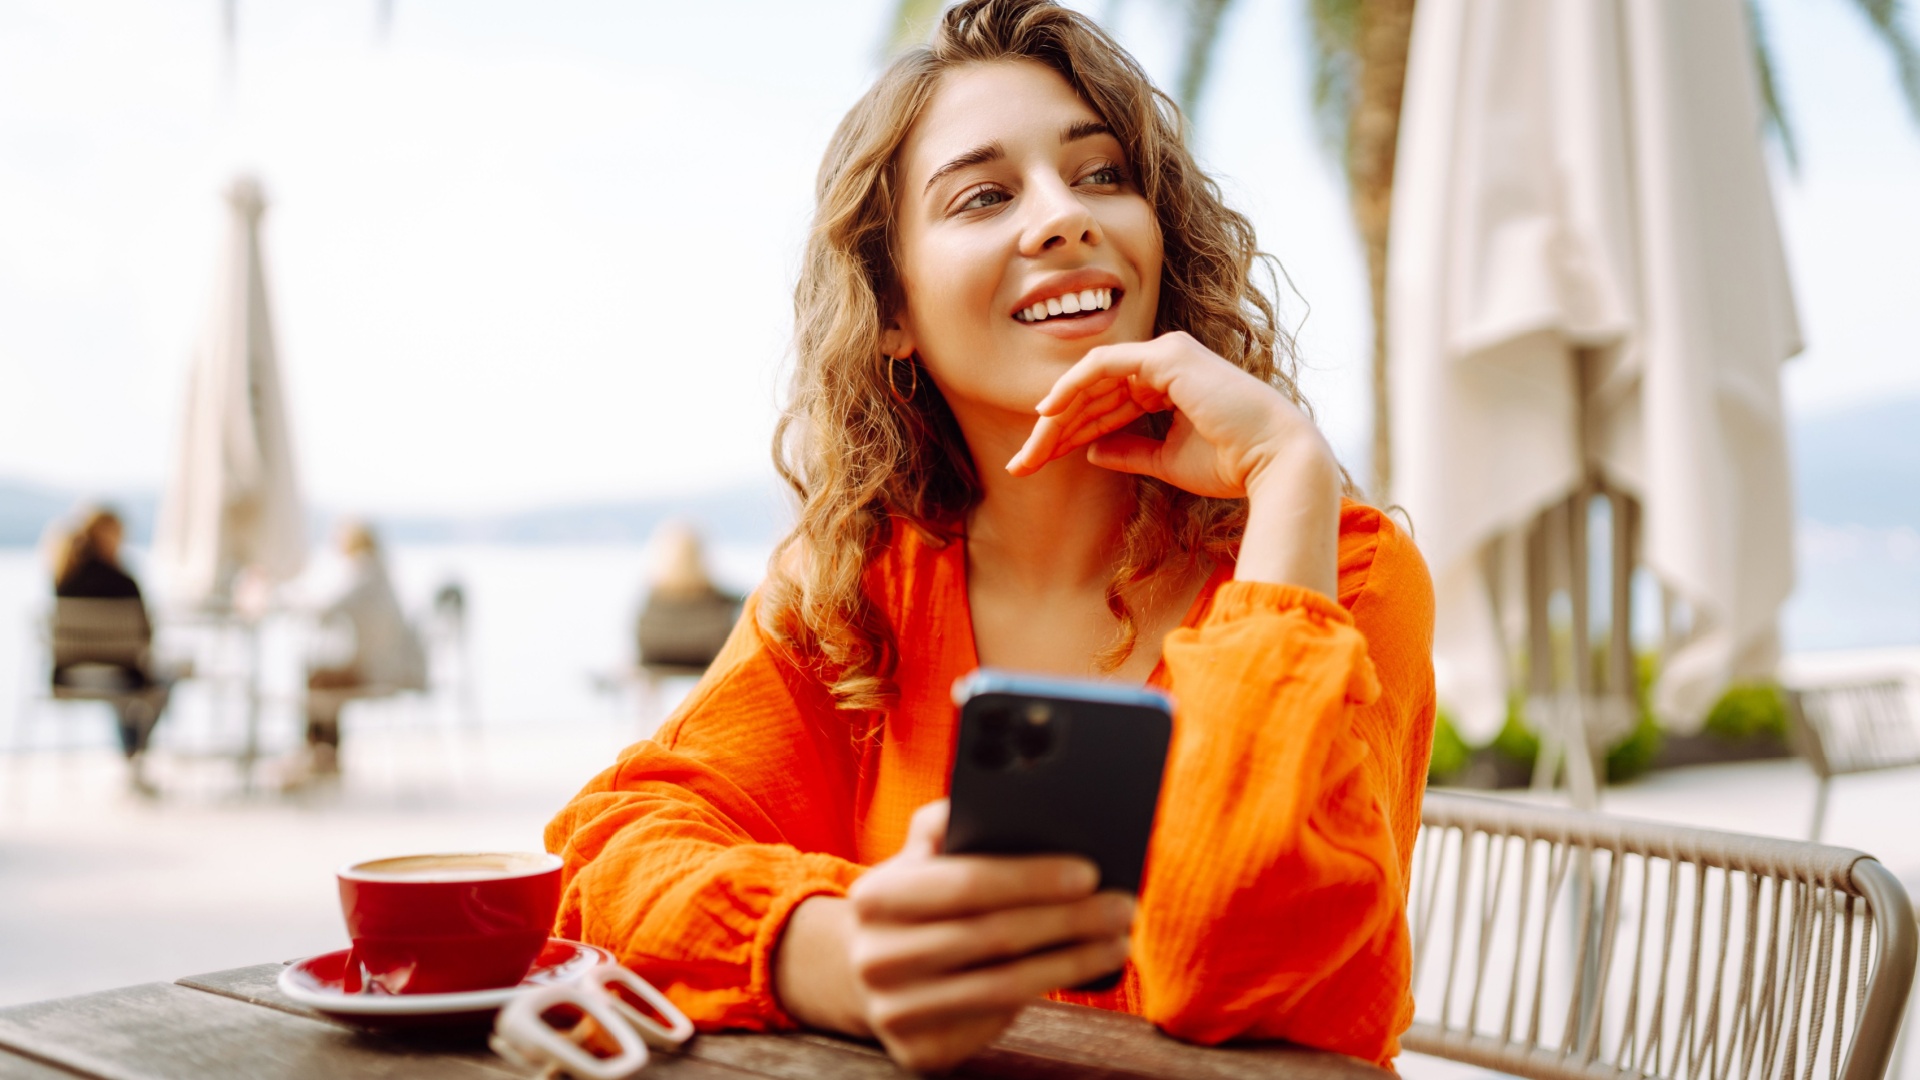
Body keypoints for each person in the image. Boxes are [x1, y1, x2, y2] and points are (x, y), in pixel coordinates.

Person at [545, 1, 1435, 1072]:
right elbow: (606, 858)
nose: (1064, 217)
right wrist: (833, 949)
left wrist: (1287, 477)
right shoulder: (854, 591)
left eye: (1103, 174)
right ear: (891, 310)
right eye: (984, 195)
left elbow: (1231, 964)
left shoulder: (1341, 567)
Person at [48, 505, 173, 796]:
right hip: (126, 677)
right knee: (154, 686)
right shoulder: (123, 582)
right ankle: (134, 756)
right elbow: (145, 637)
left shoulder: (65, 578)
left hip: (68, 676)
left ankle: (132, 758)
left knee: (126, 693)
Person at [296, 520, 425, 779]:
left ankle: (321, 756)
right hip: (392, 666)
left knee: (319, 680)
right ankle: (324, 754)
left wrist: (292, 600)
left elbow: (327, 608)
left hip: (383, 672)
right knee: (322, 678)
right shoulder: (380, 572)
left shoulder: (364, 573)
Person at [634, 522, 744, 671]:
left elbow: (644, 654)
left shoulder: (650, 606)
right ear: (701, 556)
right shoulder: (723, 603)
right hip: (714, 677)